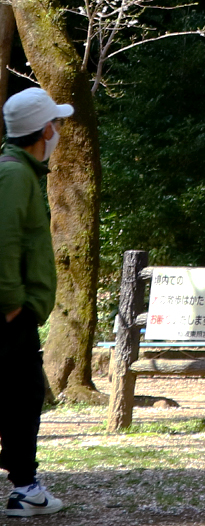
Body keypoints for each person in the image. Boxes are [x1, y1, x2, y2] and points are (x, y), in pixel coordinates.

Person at [0, 88, 69, 517]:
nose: (59, 129)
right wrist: (9, 300)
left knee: (21, 396)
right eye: (56, 123)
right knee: (20, 396)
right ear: (44, 129)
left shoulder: (21, 171)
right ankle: (24, 487)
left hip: (16, 310)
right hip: (9, 312)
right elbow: (3, 238)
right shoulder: (14, 174)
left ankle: (25, 486)